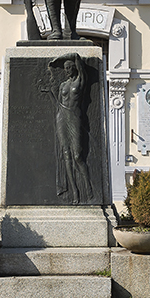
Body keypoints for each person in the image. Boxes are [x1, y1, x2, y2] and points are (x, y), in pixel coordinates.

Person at [42, 52, 92, 203]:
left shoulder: (80, 81)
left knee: (77, 155)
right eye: (65, 68)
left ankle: (88, 187)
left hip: (74, 117)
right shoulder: (63, 85)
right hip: (61, 118)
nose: (67, 70)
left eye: (70, 67)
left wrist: (58, 58)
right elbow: (58, 105)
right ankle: (75, 192)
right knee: (66, 155)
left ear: (75, 68)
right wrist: (49, 92)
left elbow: (77, 56)